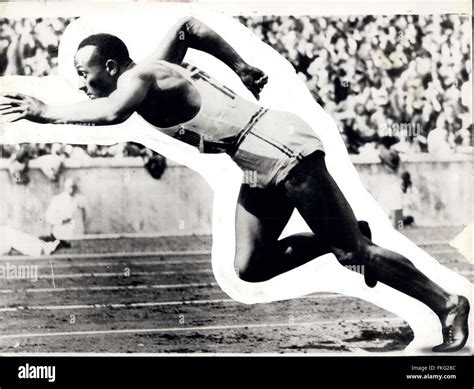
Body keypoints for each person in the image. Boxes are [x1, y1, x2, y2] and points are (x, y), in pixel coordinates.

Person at [0, 17, 469, 352]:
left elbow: (111, 113)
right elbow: (189, 28)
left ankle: (447, 303)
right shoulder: (151, 68)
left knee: (354, 255)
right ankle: (341, 237)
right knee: (251, 266)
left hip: (279, 146)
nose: (81, 85)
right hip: (253, 156)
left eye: (85, 74)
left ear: (109, 65)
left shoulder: (138, 77)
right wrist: (241, 66)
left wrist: (47, 113)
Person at [44, 177, 87, 245]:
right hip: (61, 234)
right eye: (69, 187)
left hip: (76, 235)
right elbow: (48, 217)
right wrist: (62, 221)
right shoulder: (57, 199)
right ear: (65, 188)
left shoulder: (81, 199)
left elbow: (85, 216)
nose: (72, 189)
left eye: (74, 187)